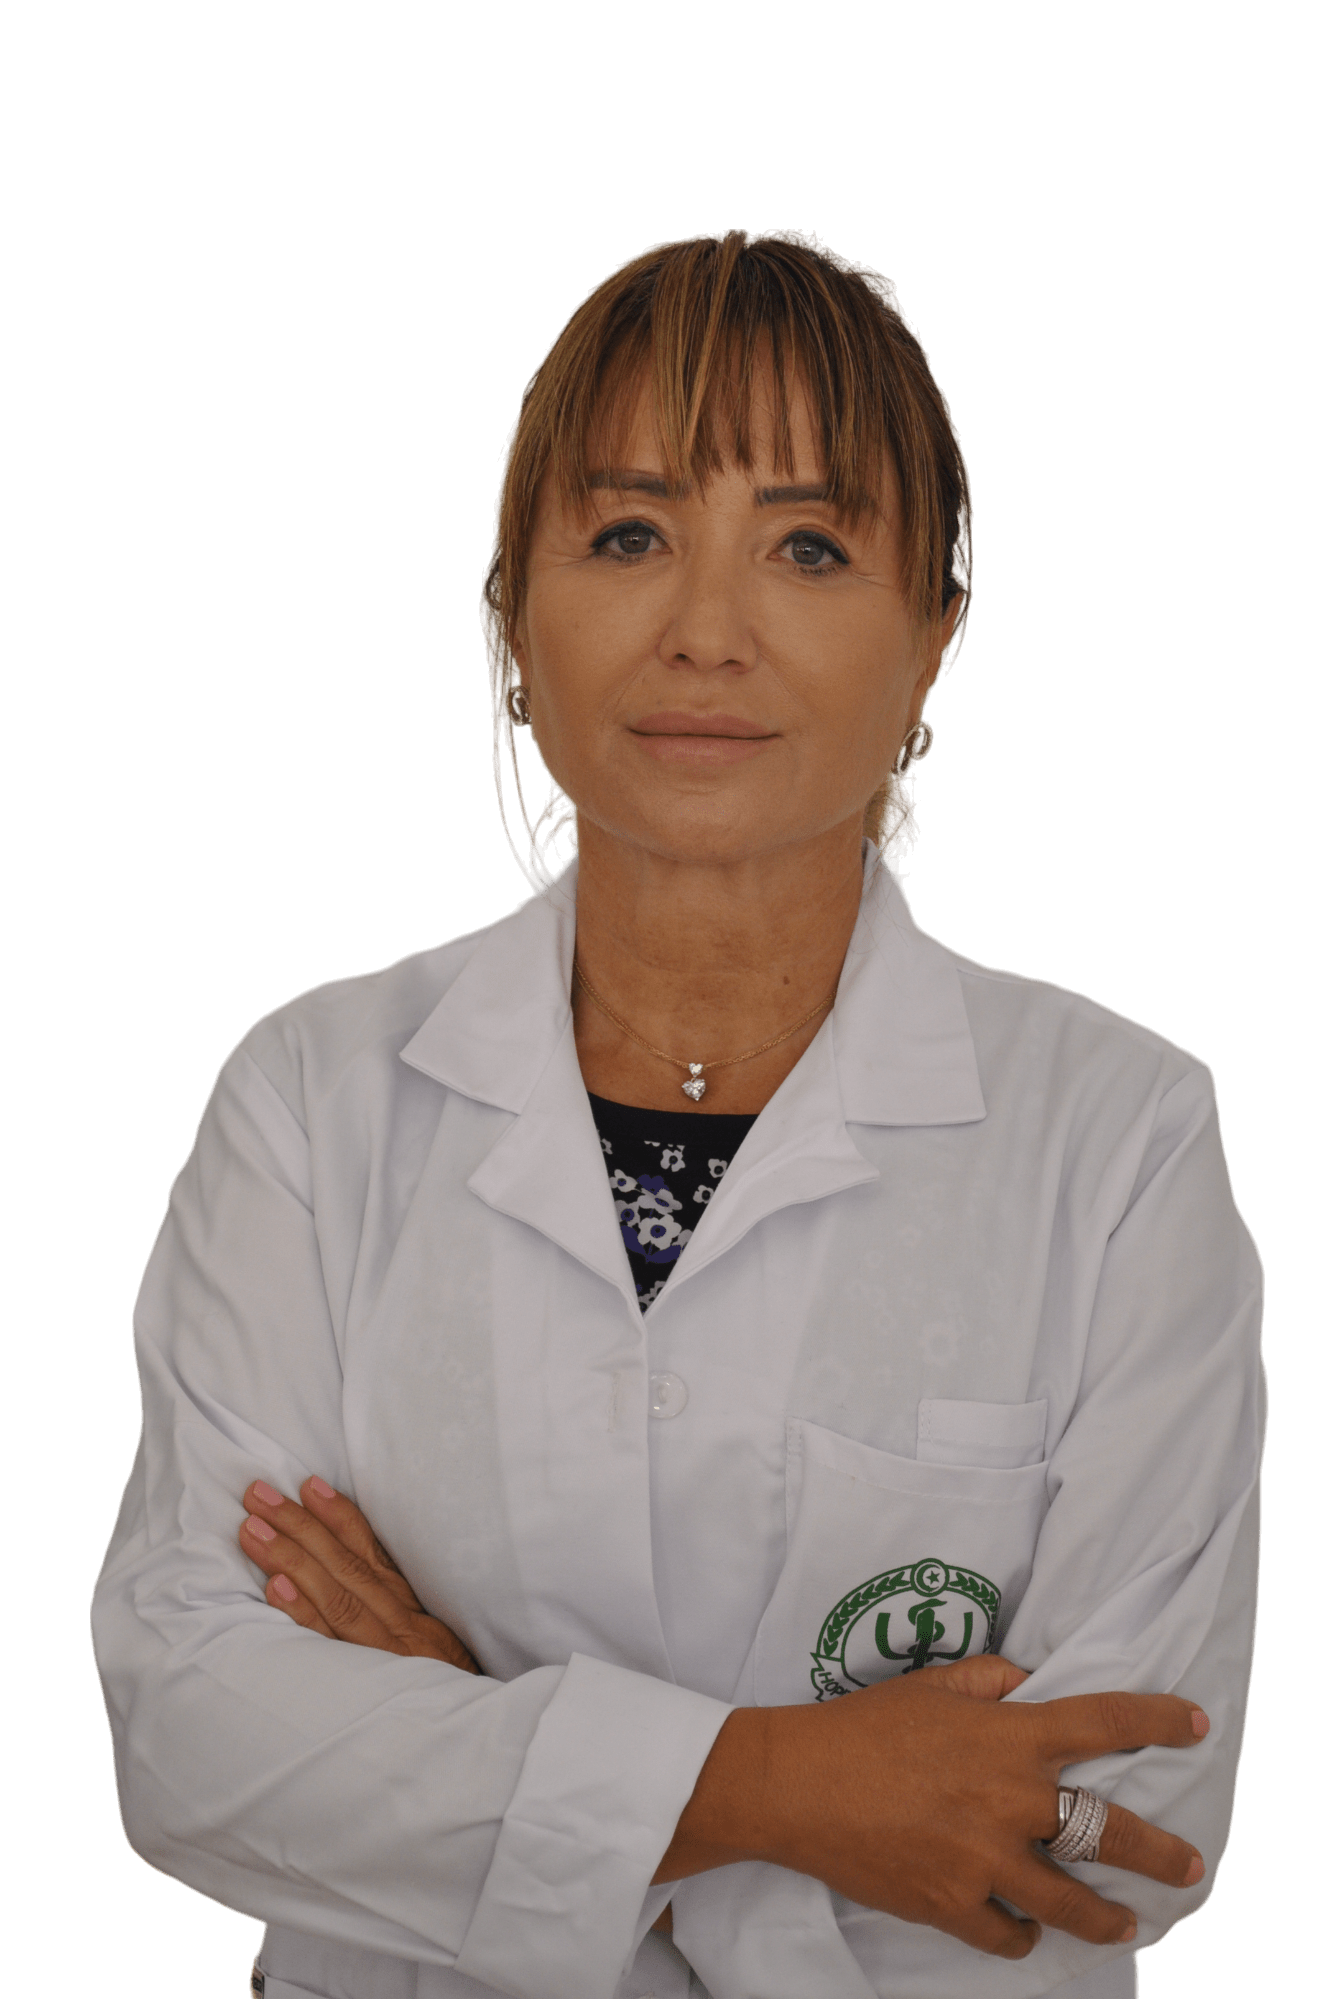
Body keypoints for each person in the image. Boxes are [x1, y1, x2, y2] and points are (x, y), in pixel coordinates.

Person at [91, 230, 1265, 1999]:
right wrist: (793, 1789)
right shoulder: (313, 1102)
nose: (707, 631)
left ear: (935, 634)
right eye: (630, 535)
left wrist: (466, 1742)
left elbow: (1119, 1832)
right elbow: (191, 1737)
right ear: (515, 614)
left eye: (811, 547)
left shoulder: (1120, 1142)